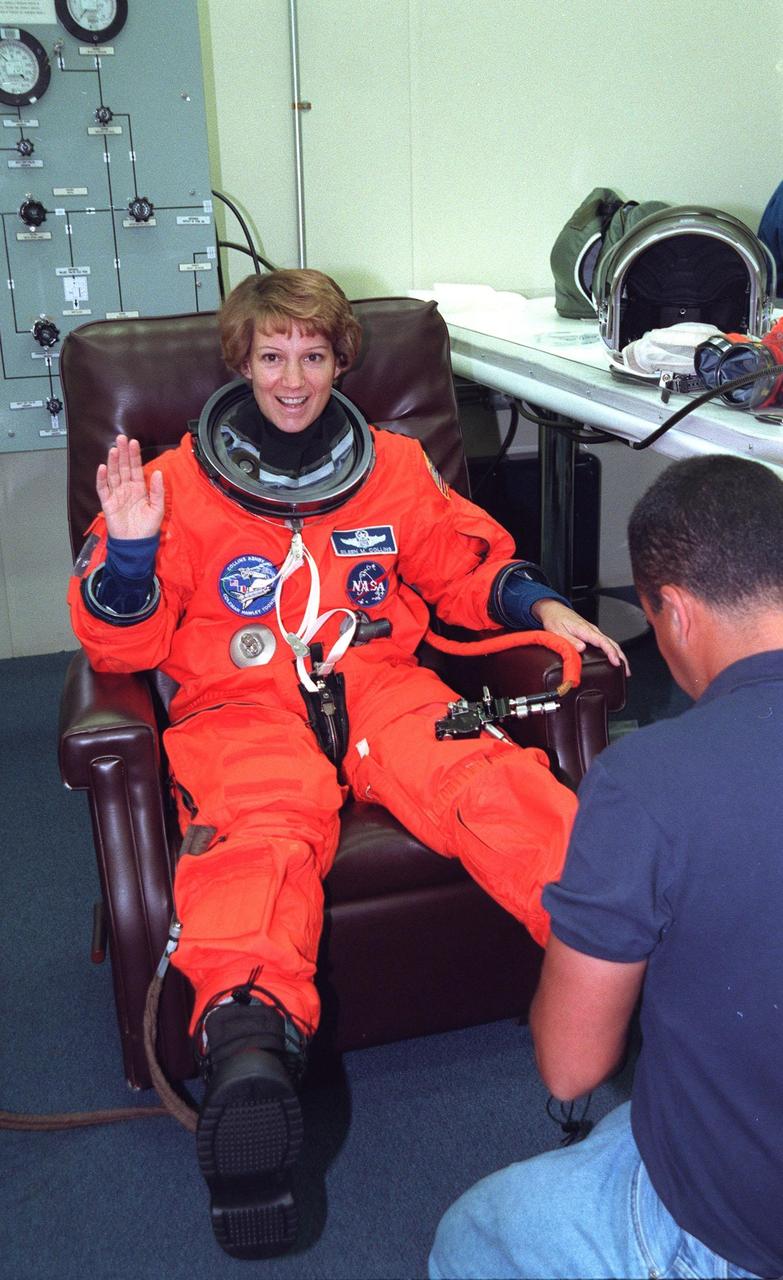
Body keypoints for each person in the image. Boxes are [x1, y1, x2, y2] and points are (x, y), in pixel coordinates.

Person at [67, 268, 627, 1261]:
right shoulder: (168, 486)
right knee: (261, 827)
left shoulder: (394, 467)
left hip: (379, 683)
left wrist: (541, 604)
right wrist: (133, 555)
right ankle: (250, 1052)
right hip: (240, 702)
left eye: (313, 355)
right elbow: (121, 646)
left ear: (339, 363)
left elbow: (461, 563)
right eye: (272, 355)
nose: (292, 379)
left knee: (488, 781)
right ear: (241, 362)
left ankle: (632, 954)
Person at [429, 453, 783, 1280]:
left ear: (673, 612)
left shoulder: (645, 781)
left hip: (746, 1234)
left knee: (469, 1237)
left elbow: (570, 1067)